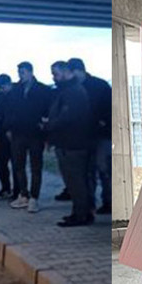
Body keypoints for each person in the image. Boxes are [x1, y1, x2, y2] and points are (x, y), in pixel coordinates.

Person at [47, 61, 95, 227]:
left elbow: (68, 117)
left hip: (73, 144)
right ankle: (79, 212)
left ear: (66, 72)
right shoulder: (69, 90)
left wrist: (49, 124)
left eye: (56, 74)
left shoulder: (74, 92)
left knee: (76, 181)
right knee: (74, 181)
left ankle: (81, 214)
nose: (54, 77)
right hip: (69, 143)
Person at [69, 57, 112, 216]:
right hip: (84, 136)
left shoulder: (99, 86)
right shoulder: (92, 86)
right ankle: (90, 204)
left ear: (79, 70)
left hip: (101, 135)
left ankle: (108, 202)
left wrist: (103, 123)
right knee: (88, 171)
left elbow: (109, 108)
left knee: (103, 168)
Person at [8, 61, 53, 213]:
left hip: (35, 134)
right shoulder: (15, 90)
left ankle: (34, 197)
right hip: (18, 133)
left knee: (36, 166)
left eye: (23, 72)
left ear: (30, 72)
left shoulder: (43, 90)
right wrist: (9, 127)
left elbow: (48, 111)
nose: (21, 76)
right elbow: (10, 110)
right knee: (18, 165)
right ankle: (23, 194)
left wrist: (45, 130)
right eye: (19, 73)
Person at [0, 74, 15, 200]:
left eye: (2, 87)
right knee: (1, 162)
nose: (1, 90)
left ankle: (18, 191)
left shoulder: (17, 95)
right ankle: (5, 187)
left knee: (16, 164)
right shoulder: (0, 96)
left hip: (13, 134)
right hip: (1, 133)